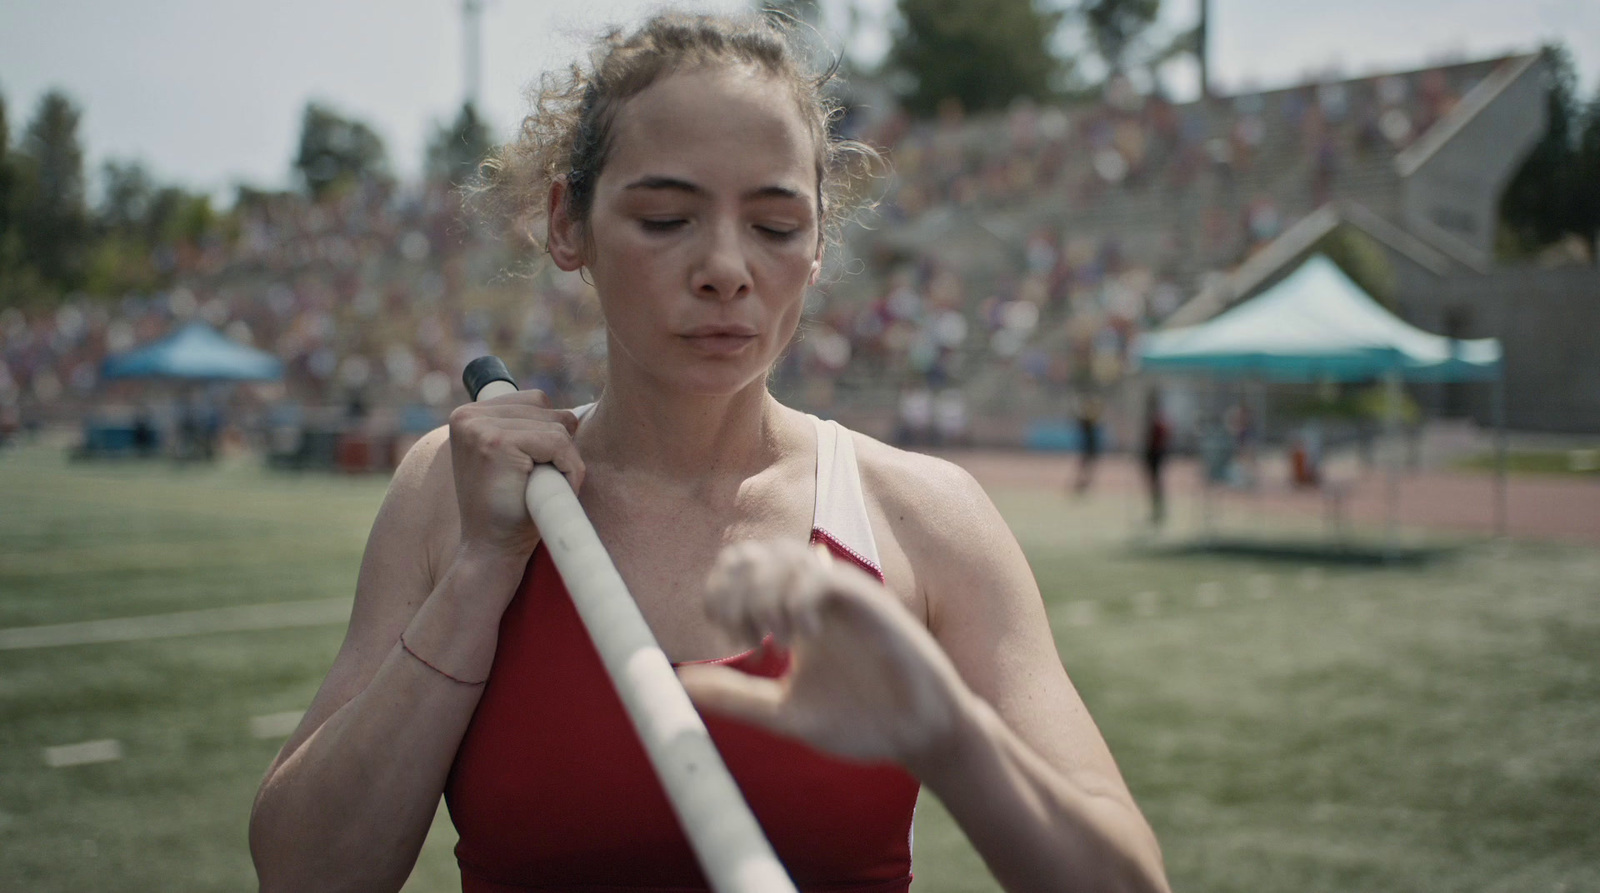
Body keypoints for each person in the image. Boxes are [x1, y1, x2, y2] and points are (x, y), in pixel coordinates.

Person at [248, 13, 1169, 893]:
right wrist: (479, 575)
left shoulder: (922, 517)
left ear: (816, 245)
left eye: (775, 226)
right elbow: (301, 872)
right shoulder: (447, 498)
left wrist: (957, 740)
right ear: (568, 224)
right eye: (664, 218)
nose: (727, 266)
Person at [1143, 391, 1170, 527]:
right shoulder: (1155, 419)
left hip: (1156, 454)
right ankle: (1157, 509)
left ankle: (1159, 510)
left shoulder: (1158, 420)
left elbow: (1161, 438)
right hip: (1154, 454)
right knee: (1155, 484)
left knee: (1156, 484)